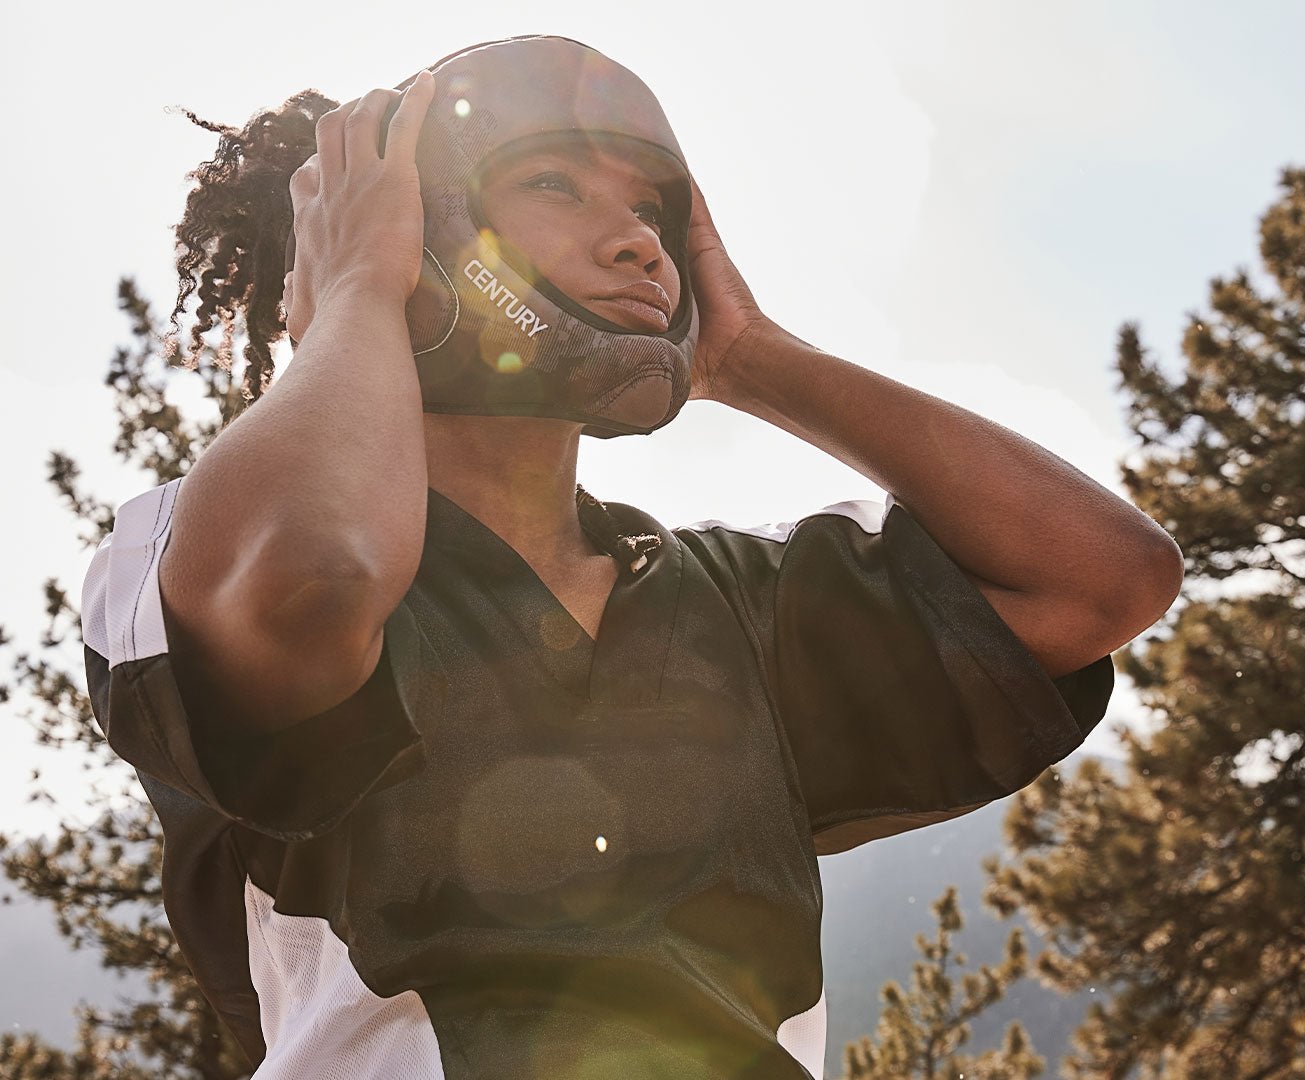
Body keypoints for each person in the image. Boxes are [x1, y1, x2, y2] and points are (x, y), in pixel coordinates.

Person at [80, 35, 1181, 1080]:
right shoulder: (186, 544)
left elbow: (1105, 578)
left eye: (648, 208)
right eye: (553, 185)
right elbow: (314, 576)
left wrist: (751, 358)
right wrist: (359, 289)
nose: (639, 240)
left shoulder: (740, 605)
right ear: (413, 222)